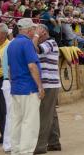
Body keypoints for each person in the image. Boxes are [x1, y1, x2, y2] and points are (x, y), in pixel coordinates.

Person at [7, 18, 45, 155]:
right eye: (33, 29)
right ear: (29, 30)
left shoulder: (11, 44)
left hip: (16, 87)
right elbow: (32, 66)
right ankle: (26, 152)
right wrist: (40, 87)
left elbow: (10, 69)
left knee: (17, 121)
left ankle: (16, 150)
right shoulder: (27, 43)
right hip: (28, 88)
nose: (34, 31)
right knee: (30, 122)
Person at [33, 25, 61, 154]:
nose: (35, 35)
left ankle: (40, 146)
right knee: (51, 114)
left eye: (37, 31)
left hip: (48, 85)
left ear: (43, 32)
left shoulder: (50, 42)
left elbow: (35, 49)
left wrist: (36, 36)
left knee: (44, 115)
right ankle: (54, 142)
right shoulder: (51, 43)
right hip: (51, 84)